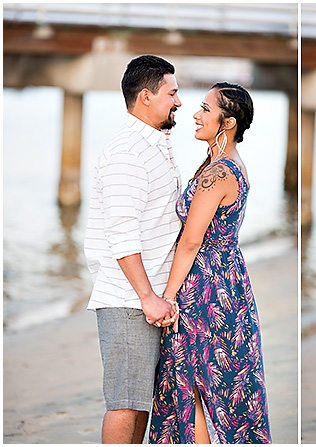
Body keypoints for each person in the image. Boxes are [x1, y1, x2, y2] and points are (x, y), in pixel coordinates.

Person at [148, 82, 271, 443]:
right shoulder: (227, 165)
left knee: (196, 384)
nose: (195, 114)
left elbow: (190, 242)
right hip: (227, 281)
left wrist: (168, 297)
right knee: (209, 383)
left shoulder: (218, 173)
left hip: (204, 287)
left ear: (228, 122)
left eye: (205, 108)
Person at [84, 54, 182, 444]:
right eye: (172, 93)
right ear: (146, 97)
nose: (178, 101)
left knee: (139, 402)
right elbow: (122, 235)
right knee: (125, 402)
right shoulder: (127, 152)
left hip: (149, 298)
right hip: (129, 299)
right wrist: (147, 297)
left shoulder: (155, 144)